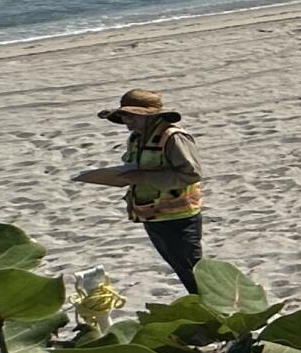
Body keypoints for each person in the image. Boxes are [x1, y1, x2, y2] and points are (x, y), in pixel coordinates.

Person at [78, 88, 207, 291]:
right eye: (124, 116)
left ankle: (215, 309)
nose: (126, 122)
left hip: (179, 219)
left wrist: (145, 177)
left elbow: (191, 174)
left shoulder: (173, 137)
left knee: (195, 274)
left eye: (131, 116)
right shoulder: (137, 138)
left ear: (150, 116)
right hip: (152, 215)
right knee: (183, 271)